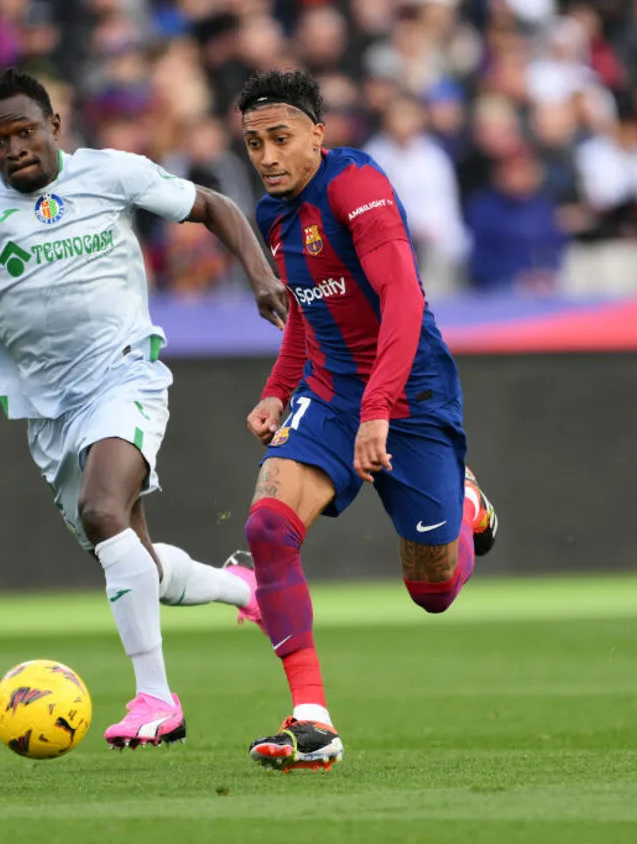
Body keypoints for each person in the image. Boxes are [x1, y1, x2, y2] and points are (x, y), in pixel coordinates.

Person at [0, 68, 288, 749]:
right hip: (47, 409)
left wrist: (262, 278)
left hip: (123, 374)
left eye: (24, 132)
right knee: (129, 555)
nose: (14, 148)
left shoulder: (110, 174)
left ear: (54, 128)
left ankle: (157, 701)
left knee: (103, 511)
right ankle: (239, 589)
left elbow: (215, 206)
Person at [234, 69, 500, 771]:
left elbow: (405, 299)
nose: (266, 157)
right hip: (329, 390)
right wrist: (277, 388)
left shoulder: (357, 188)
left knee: (433, 592)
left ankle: (465, 503)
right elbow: (306, 311)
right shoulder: (273, 214)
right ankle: (312, 724)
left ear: (317, 136)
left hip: (409, 390)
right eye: (254, 142)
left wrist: (379, 408)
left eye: (280, 139)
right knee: (267, 527)